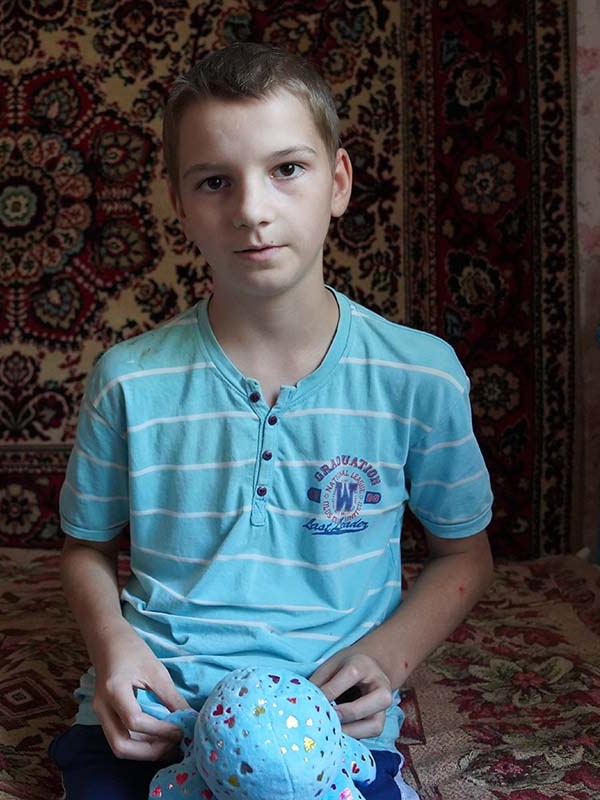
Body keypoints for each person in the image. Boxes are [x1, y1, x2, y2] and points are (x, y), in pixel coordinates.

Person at [49, 41, 494, 800]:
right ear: (179, 204)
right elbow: (84, 548)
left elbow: (466, 555)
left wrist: (388, 660)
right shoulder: (129, 380)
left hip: (324, 728)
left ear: (339, 182)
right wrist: (114, 647)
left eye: (287, 169)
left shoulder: (420, 375)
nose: (252, 210)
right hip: (156, 716)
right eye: (216, 181)